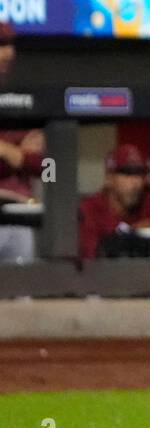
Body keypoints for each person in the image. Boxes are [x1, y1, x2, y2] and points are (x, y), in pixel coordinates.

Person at [0, 21, 43, 263]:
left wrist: (10, 152)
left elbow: (51, 172)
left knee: (22, 297)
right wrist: (18, 154)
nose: (9, 53)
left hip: (19, 219)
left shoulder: (27, 102)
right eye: (1, 45)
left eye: (10, 45)